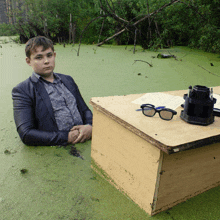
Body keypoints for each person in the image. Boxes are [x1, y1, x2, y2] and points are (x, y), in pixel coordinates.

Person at [12, 36, 92, 146]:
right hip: (59, 149)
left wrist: (89, 126)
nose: (46, 61)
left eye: (49, 55)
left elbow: (85, 110)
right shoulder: (23, 90)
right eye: (39, 57)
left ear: (54, 55)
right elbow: (26, 134)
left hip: (87, 141)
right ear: (28, 61)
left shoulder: (68, 80)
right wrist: (66, 137)